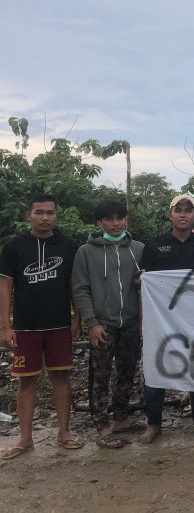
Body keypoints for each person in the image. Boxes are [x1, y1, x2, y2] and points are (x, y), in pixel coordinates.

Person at [0, 194, 83, 460]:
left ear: (56, 215)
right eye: (39, 212)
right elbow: (5, 286)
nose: (45, 217)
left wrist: (76, 319)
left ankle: (64, 432)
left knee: (61, 377)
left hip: (59, 324)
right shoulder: (13, 247)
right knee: (26, 381)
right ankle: (25, 438)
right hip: (25, 327)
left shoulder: (69, 246)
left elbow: (75, 285)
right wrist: (5, 326)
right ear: (29, 215)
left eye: (50, 212)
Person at [139, 194, 194, 443]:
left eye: (188, 210)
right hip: (161, 319)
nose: (183, 214)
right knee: (156, 367)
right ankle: (154, 423)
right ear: (170, 215)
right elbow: (144, 282)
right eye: (178, 210)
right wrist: (144, 318)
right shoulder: (154, 245)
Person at [71, 199, 146, 449]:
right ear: (99, 222)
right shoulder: (86, 252)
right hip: (102, 324)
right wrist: (91, 322)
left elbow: (147, 284)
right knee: (100, 375)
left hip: (131, 322)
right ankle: (102, 426)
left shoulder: (138, 249)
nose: (115, 223)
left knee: (127, 370)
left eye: (119, 218)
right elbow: (81, 289)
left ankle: (122, 417)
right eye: (109, 219)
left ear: (126, 219)